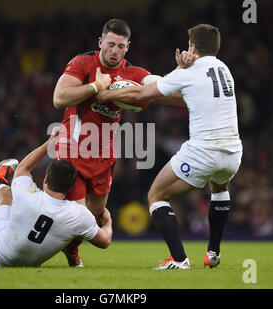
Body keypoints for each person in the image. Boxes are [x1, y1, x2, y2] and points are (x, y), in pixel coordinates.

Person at [97, 24, 242, 269]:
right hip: (232, 152)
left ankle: (178, 259)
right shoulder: (224, 69)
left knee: (156, 195)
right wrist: (181, 67)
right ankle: (213, 252)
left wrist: (107, 95)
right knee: (219, 188)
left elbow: (142, 94)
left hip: (203, 151)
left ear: (193, 47)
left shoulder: (190, 71)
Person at [52, 18, 168, 266]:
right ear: (100, 42)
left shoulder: (133, 73)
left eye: (121, 46)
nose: (115, 51)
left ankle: (71, 250)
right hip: (74, 147)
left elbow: (161, 86)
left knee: (93, 213)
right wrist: (96, 85)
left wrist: (184, 75)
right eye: (111, 44)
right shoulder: (84, 62)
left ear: (128, 47)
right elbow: (60, 98)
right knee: (78, 214)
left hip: (104, 153)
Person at [0, 128, 113, 267]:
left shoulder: (27, 195)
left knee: (6, 194)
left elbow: (22, 168)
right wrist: (108, 221)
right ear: (70, 188)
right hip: (29, 265)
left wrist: (49, 143)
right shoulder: (80, 215)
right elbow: (105, 241)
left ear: (45, 180)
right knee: (16, 207)